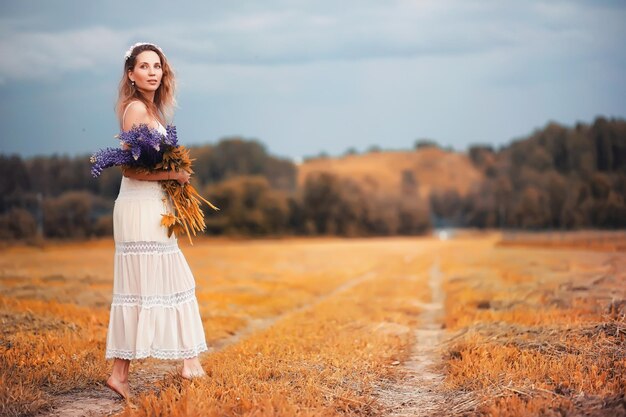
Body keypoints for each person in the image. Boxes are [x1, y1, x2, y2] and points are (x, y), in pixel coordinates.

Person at [104, 42, 208, 400]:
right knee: (160, 281)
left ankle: (124, 374)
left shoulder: (153, 111)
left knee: (149, 285)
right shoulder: (135, 109)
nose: (152, 71)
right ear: (131, 74)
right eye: (144, 66)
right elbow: (130, 167)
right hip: (139, 207)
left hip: (152, 205)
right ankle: (188, 365)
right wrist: (174, 177)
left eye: (157, 66)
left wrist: (172, 178)